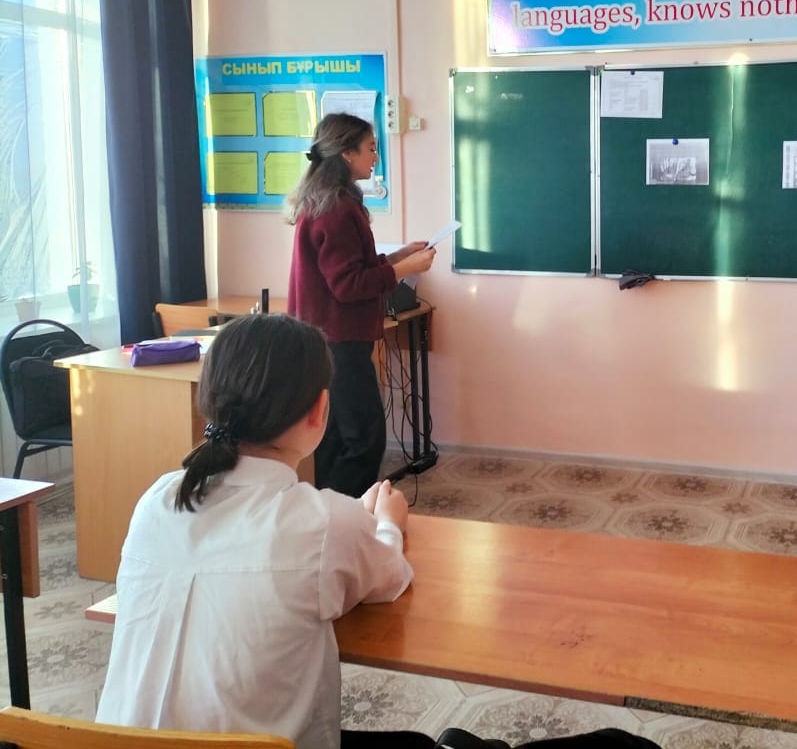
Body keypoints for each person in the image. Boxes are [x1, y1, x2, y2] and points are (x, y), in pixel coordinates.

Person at [97, 313, 661, 749]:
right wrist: (386, 523)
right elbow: (389, 578)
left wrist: (351, 525)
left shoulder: (158, 499)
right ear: (320, 411)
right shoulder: (320, 522)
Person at [287, 112, 435, 497]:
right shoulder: (336, 209)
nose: (376, 157)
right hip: (338, 343)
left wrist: (398, 257)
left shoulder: (329, 201)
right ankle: (346, 516)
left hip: (326, 340)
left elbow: (353, 267)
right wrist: (405, 269)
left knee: (334, 435)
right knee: (363, 439)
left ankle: (330, 515)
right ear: (347, 153)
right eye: (370, 148)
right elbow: (349, 285)